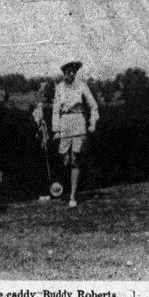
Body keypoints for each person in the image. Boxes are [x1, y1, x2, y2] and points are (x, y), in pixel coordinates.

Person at [52, 61, 99, 208]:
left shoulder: (82, 85)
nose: (71, 73)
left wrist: (92, 123)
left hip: (79, 121)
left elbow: (93, 105)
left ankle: (72, 196)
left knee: (74, 160)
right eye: (69, 71)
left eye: (74, 71)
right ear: (64, 72)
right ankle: (64, 189)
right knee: (65, 159)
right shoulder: (59, 88)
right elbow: (55, 110)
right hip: (65, 123)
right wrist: (57, 130)